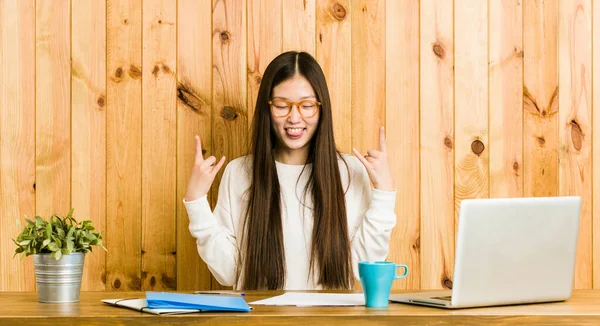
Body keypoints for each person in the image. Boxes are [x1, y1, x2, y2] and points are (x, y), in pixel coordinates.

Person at [183, 51, 397, 290]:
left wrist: (384, 195)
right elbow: (229, 273)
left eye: (307, 106)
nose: (294, 118)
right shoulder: (239, 172)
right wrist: (196, 203)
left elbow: (360, 267)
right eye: (282, 106)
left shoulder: (349, 171)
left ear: (321, 108)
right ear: (268, 108)